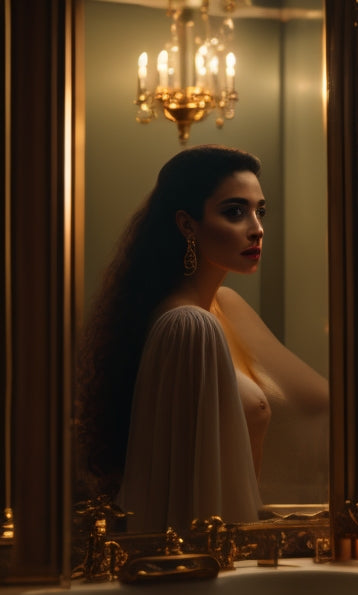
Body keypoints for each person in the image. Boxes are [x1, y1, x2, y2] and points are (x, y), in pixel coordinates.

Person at [77, 145, 328, 532]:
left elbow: (320, 404)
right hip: (225, 553)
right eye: (234, 212)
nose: (256, 228)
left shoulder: (225, 305)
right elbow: (186, 503)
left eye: (259, 211)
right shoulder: (188, 327)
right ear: (187, 225)